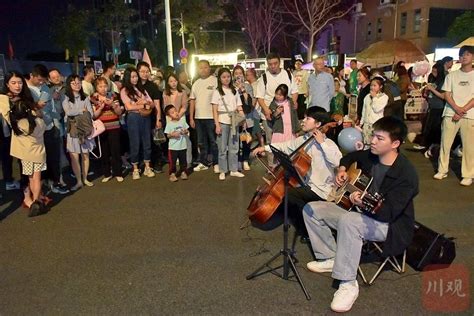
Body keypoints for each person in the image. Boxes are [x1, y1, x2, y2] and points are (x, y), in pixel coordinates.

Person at [303, 116, 418, 313]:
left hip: (390, 226)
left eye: (380, 138)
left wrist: (363, 202)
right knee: (312, 209)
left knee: (350, 220)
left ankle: (348, 283)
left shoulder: (406, 174)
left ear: (395, 144)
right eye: (373, 135)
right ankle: (331, 256)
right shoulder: (371, 155)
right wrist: (342, 170)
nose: (372, 141)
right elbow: (349, 158)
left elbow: (389, 213)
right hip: (360, 214)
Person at [252, 107, 342, 239]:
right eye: (304, 118)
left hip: (321, 190)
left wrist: (322, 143)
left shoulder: (329, 144)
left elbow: (337, 161)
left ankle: (307, 231)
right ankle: (301, 223)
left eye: (307, 118)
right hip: (307, 186)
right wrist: (264, 148)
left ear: (318, 124)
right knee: (288, 191)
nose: (303, 121)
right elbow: (285, 146)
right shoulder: (304, 139)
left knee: (289, 194)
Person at [0, 72, 49, 216]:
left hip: (33, 140)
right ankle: (32, 200)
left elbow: (36, 116)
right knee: (28, 174)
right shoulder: (4, 99)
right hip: (23, 141)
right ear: (7, 84)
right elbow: (14, 120)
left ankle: (35, 200)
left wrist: (36, 113)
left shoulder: (25, 97)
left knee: (33, 174)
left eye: (20, 82)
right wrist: (35, 114)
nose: (17, 86)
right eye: (14, 83)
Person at [434, 45, 474, 186]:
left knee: (469, 147)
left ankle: (468, 174)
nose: (464, 57)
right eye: (462, 54)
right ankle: (442, 169)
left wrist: (462, 110)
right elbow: (447, 94)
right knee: (445, 144)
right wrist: (456, 109)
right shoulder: (452, 75)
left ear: (473, 57)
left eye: (467, 54)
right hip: (450, 113)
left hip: (469, 115)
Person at [120, 67, 155, 180]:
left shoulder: (140, 89)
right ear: (127, 77)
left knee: (147, 141)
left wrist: (144, 103)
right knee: (135, 142)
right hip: (133, 118)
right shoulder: (124, 90)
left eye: (136, 76)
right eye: (132, 77)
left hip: (145, 117)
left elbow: (151, 103)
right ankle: (135, 168)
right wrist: (143, 104)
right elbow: (129, 107)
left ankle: (147, 166)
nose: (135, 79)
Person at [256, 53, 298, 144]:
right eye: (270, 64)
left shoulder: (288, 74)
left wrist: (293, 103)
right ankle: (272, 158)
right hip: (269, 115)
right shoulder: (264, 77)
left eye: (275, 63)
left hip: (286, 115)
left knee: (288, 140)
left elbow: (294, 91)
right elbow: (260, 97)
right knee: (271, 141)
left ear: (280, 63)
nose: (273, 66)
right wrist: (266, 110)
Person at [62, 75, 96, 190]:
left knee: (85, 155)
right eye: (73, 83)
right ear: (69, 84)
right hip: (72, 130)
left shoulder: (85, 97)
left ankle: (85, 178)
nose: (77, 85)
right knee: (74, 157)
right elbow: (68, 112)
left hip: (85, 129)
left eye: (78, 83)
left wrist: (78, 113)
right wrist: (81, 110)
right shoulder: (65, 97)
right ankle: (79, 181)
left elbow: (90, 113)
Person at [211, 68, 245, 181]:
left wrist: (243, 119)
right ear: (220, 79)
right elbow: (214, 110)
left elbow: (239, 106)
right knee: (222, 148)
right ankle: (223, 170)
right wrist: (217, 125)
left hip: (234, 122)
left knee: (234, 147)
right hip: (222, 121)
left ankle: (234, 169)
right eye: (223, 77)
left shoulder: (234, 90)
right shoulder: (217, 92)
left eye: (228, 77)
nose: (226, 79)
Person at [90, 77, 124, 183]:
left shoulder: (113, 95)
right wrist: (100, 107)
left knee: (115, 150)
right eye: (100, 86)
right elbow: (93, 116)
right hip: (101, 128)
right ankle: (107, 173)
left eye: (105, 86)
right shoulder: (93, 98)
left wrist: (112, 105)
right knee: (104, 151)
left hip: (114, 126)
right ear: (96, 87)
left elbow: (119, 112)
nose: (103, 88)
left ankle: (118, 172)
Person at [189, 60, 219, 173]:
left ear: (209, 68)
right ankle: (203, 162)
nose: (203, 69)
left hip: (212, 117)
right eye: (200, 68)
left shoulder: (215, 81)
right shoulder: (196, 83)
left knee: (214, 141)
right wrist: (191, 118)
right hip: (198, 117)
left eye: (205, 67)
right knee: (201, 142)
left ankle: (216, 162)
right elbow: (192, 101)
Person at [137, 62, 165, 173]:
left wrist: (158, 119)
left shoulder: (153, 87)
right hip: (138, 118)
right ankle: (142, 163)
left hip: (151, 118)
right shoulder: (135, 86)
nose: (145, 74)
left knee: (154, 141)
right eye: (142, 71)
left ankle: (156, 162)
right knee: (140, 141)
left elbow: (157, 104)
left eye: (147, 71)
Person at [232, 65, 254, 171]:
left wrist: (243, 89)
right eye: (236, 73)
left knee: (246, 140)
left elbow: (249, 103)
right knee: (236, 141)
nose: (238, 75)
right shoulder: (230, 87)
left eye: (240, 73)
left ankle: (245, 160)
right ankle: (237, 160)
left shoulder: (247, 86)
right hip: (236, 119)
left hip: (248, 118)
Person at [422, 62, 446, 158]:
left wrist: (431, 89)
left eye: (435, 71)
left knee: (435, 129)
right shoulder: (433, 79)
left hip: (439, 107)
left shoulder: (443, 81)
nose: (433, 73)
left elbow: (443, 96)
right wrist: (427, 93)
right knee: (429, 127)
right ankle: (429, 146)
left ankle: (432, 148)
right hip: (432, 106)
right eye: (432, 70)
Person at [359, 77, 388, 146]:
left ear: (380, 86)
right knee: (366, 145)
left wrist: (374, 97)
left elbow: (377, 108)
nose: (372, 87)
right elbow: (364, 110)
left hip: (376, 124)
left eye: (375, 85)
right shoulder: (367, 96)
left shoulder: (384, 97)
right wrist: (361, 122)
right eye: (371, 85)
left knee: (375, 144)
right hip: (366, 124)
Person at [164, 105, 189, 182]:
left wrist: (185, 131)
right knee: (172, 162)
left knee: (183, 161)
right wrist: (172, 134)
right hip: (173, 147)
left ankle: (183, 172)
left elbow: (187, 130)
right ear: (169, 115)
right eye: (172, 112)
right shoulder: (169, 124)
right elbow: (167, 135)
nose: (175, 113)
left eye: (175, 111)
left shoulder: (182, 121)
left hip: (183, 146)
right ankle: (172, 174)